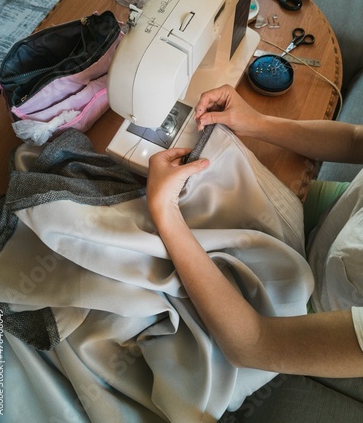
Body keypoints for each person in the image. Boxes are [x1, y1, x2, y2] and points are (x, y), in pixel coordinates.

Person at [146, 84, 363, 379]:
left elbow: (253, 345)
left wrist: (163, 211)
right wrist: (256, 122)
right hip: (335, 222)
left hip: (308, 320)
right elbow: (354, 141)